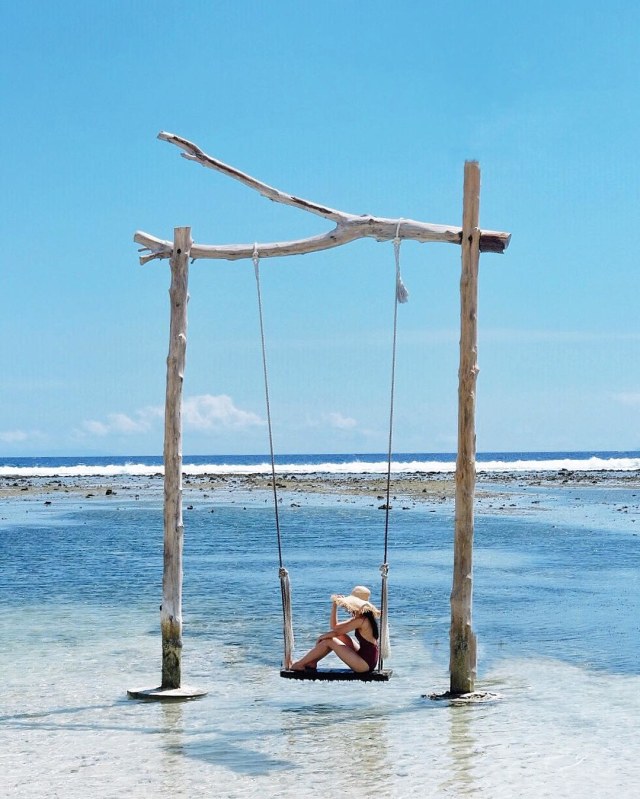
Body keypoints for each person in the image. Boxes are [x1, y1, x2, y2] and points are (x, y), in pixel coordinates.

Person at [290, 585, 380, 673]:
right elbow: (335, 627)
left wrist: (321, 637)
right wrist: (334, 606)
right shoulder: (362, 618)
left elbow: (336, 631)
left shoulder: (361, 620)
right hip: (366, 658)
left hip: (364, 665)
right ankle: (313, 662)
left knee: (329, 641)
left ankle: (299, 664)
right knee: (340, 636)